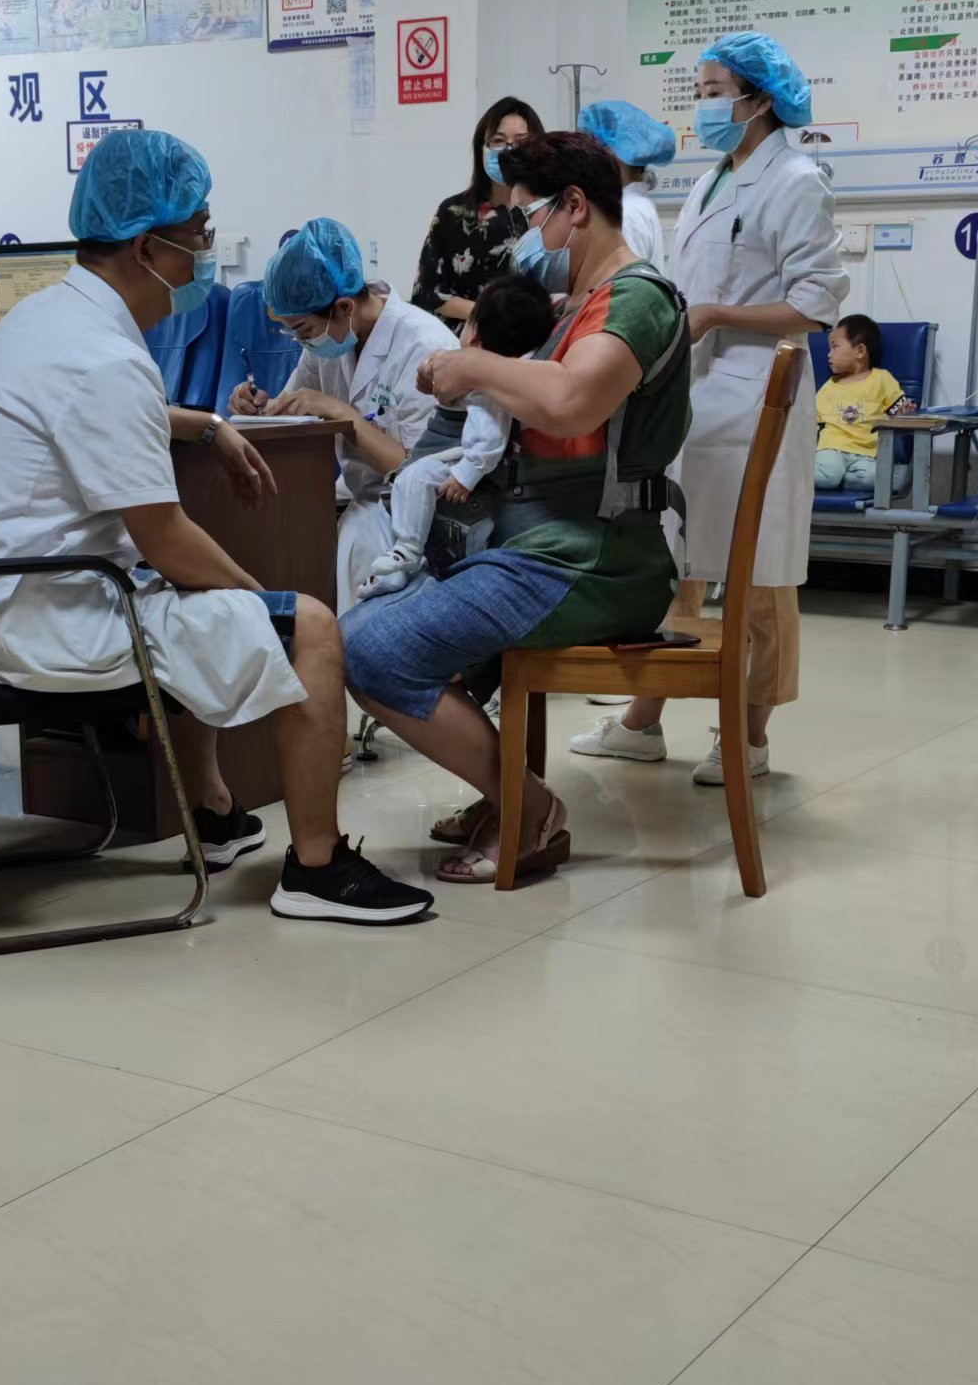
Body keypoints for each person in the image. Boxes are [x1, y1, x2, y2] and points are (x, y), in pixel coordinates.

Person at [0, 131, 431, 925]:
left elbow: (100, 412)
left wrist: (204, 423)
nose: (205, 251)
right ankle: (316, 867)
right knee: (307, 628)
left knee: (188, 595)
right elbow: (163, 536)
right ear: (147, 248)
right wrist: (260, 604)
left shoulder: (44, 320)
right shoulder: (104, 355)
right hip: (46, 622)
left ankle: (213, 811)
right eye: (198, 234)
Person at [342, 133, 692, 887]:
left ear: (575, 207)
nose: (526, 238)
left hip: (593, 558)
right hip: (536, 544)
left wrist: (473, 363)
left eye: (531, 217)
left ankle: (528, 806)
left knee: (371, 651)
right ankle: (504, 791)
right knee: (363, 630)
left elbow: (572, 403)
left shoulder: (636, 299)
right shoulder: (573, 309)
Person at [572, 34, 846, 787]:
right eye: (698, 91)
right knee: (673, 564)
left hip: (759, 399)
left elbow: (816, 305)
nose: (703, 106)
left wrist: (719, 315)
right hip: (695, 400)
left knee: (759, 573)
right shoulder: (709, 183)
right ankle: (643, 722)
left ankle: (747, 736)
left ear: (759, 99)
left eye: (715, 91)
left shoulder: (796, 180)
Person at [236, 218, 447, 612]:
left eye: (303, 330)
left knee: (357, 558)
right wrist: (257, 406)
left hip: (410, 513)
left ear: (345, 307)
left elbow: (419, 473)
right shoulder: (329, 339)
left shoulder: (423, 346)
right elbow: (291, 406)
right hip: (358, 497)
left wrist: (343, 416)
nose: (302, 341)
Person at [360, 271, 555, 597]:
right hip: (456, 451)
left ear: (475, 337)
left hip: (466, 461)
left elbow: (490, 435)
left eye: (468, 321)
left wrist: (466, 475)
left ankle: (406, 552)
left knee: (415, 479)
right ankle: (402, 555)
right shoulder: (492, 369)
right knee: (408, 483)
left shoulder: (485, 382)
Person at [410, 95, 545, 325]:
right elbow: (428, 292)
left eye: (521, 141)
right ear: (481, 149)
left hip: (536, 336)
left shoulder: (548, 212)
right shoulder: (453, 212)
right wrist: (491, 315)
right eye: (498, 141)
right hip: (467, 334)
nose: (509, 150)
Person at [816, 314, 913, 493]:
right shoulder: (828, 388)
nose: (829, 354)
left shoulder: (882, 379)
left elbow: (898, 410)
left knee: (874, 478)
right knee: (828, 474)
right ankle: (827, 477)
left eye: (835, 347)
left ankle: (840, 479)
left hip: (867, 454)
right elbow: (812, 422)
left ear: (860, 351)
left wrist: (903, 415)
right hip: (831, 449)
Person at [576, 101, 675, 269]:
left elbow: (623, 279)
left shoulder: (628, 213)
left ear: (612, 153)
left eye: (592, 150)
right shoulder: (632, 205)